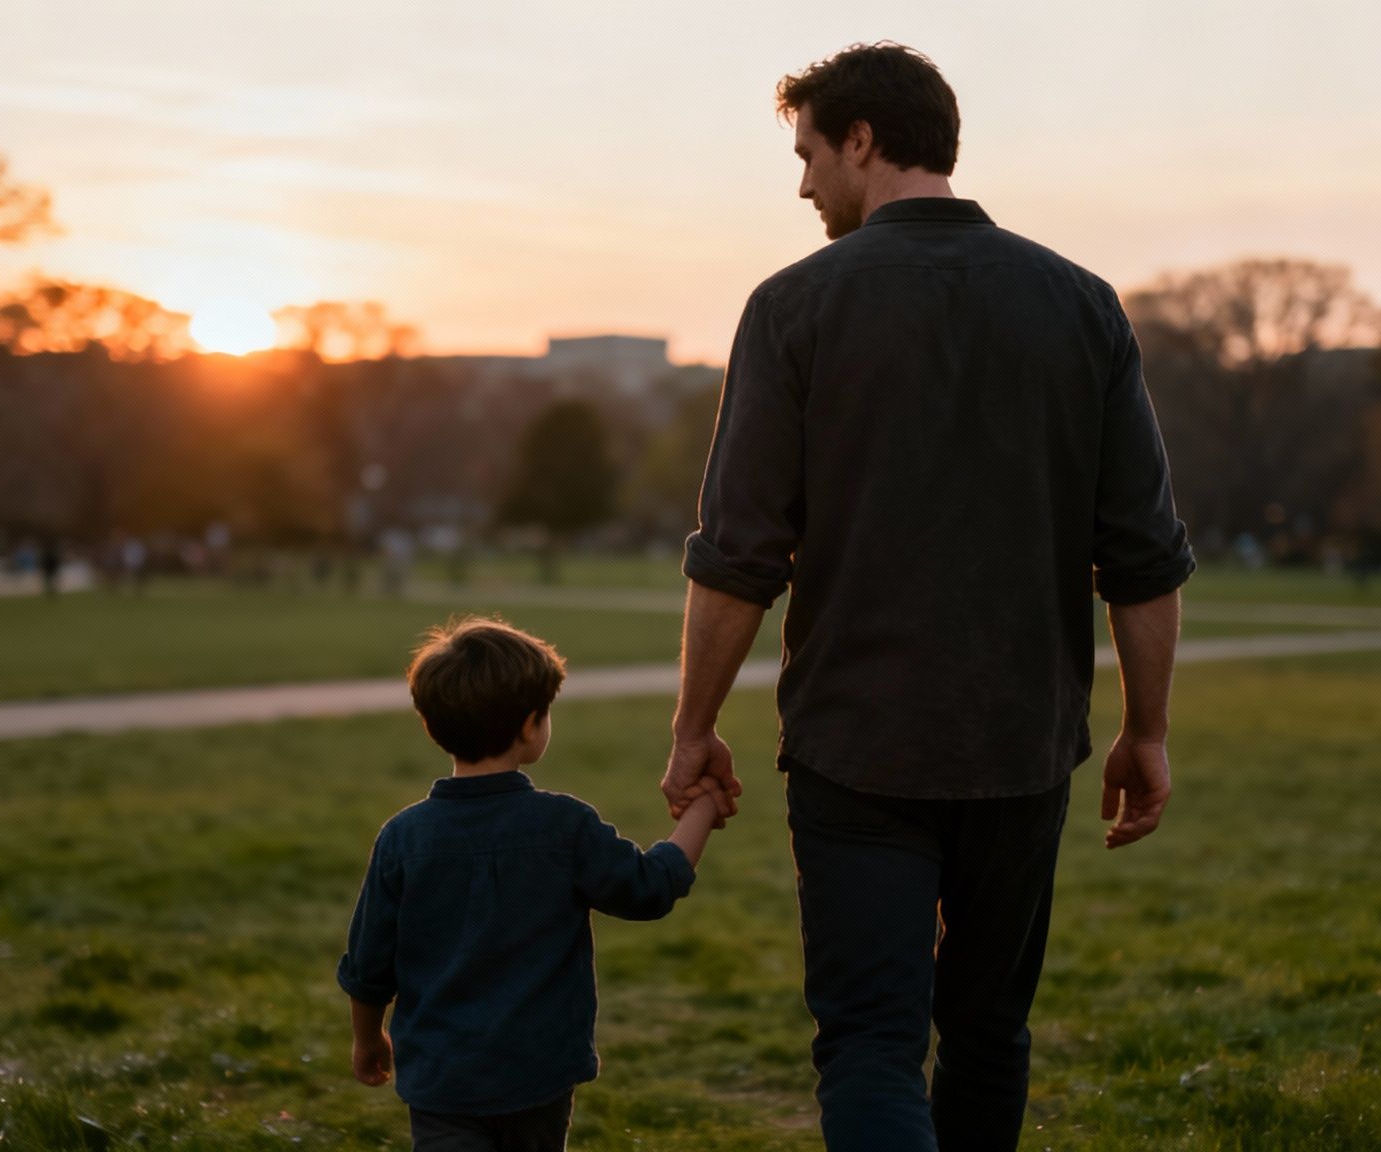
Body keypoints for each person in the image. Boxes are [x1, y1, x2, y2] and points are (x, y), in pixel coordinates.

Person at [662, 43, 1194, 1152]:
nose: (801, 184)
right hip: (1021, 742)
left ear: (862, 141)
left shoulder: (792, 308)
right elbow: (1141, 558)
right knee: (991, 1030)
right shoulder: (1080, 305)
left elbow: (736, 557)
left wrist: (692, 728)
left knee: (868, 1043)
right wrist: (1144, 732)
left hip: (856, 745)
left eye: (808, 154)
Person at [338, 618, 727, 1151]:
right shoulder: (563, 827)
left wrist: (367, 1040)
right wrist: (702, 807)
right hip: (538, 1074)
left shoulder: (403, 839)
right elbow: (649, 888)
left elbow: (368, 965)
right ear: (530, 727)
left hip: (441, 1078)